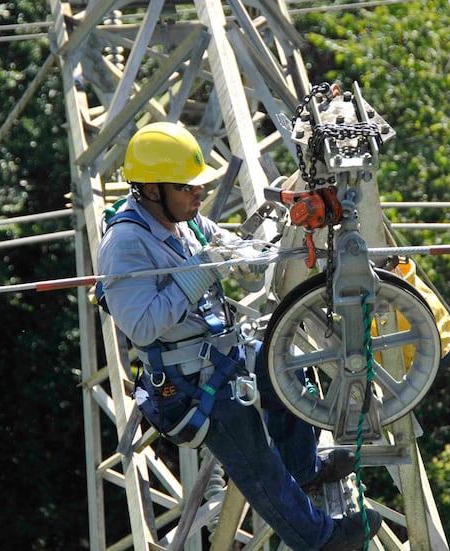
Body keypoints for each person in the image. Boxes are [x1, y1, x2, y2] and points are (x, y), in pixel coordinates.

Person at [97, 121, 382, 550]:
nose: (198, 195)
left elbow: (219, 239)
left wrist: (246, 253)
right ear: (152, 190)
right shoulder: (125, 244)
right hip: (189, 382)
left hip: (223, 351)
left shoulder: (182, 220)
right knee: (256, 462)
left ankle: (303, 468)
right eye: (187, 188)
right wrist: (202, 272)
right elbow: (141, 325)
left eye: (198, 187)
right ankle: (319, 539)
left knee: (284, 369)